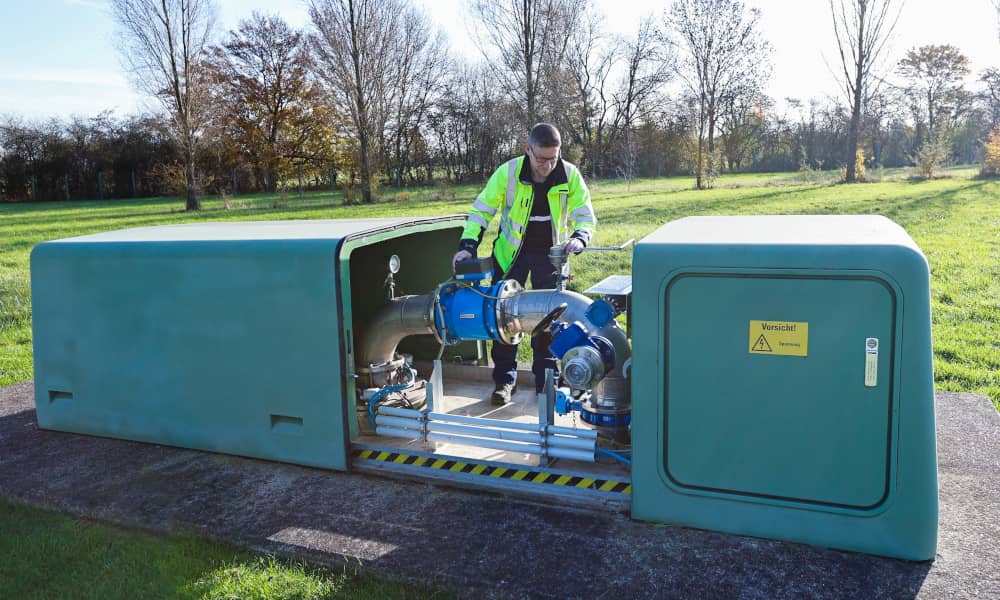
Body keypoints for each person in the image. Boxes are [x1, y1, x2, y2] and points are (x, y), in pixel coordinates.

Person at [451, 123, 596, 405]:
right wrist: (467, 246)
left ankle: (546, 383)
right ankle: (505, 381)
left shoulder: (569, 174)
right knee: (501, 316)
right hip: (510, 255)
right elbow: (481, 211)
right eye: (541, 159)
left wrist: (580, 237)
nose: (548, 166)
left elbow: (585, 216)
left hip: (551, 257)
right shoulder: (508, 173)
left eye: (553, 158)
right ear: (528, 150)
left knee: (549, 320)